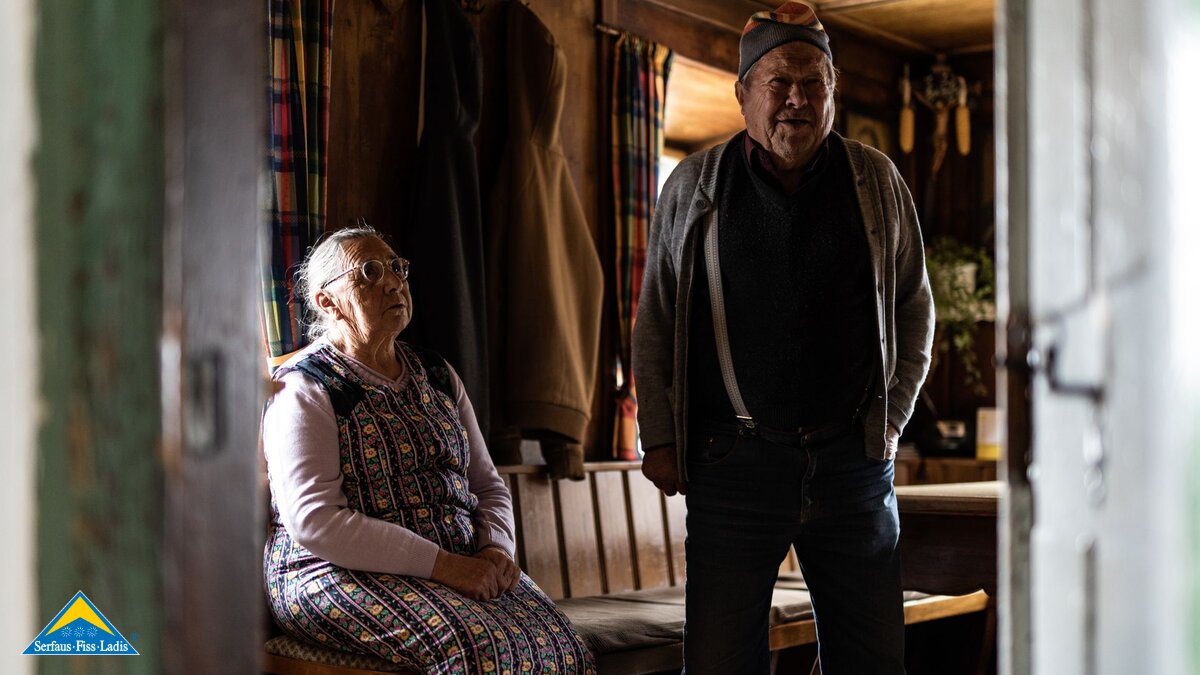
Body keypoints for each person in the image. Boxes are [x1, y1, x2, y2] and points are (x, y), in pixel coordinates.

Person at [632, 3, 934, 674]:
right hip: (732, 463)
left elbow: (916, 306)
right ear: (743, 94)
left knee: (873, 659)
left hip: (852, 464)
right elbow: (655, 317)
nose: (796, 99)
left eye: (813, 82)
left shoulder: (876, 181)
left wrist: (893, 417)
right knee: (719, 662)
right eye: (778, 81)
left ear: (833, 94)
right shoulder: (693, 185)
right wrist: (659, 434)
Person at [263, 227, 595, 674]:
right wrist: (443, 566)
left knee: (564, 645)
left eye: (397, 268)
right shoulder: (307, 387)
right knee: (478, 648)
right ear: (327, 301)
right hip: (330, 572)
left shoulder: (437, 375)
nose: (393, 282)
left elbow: (487, 484)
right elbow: (314, 521)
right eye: (369, 272)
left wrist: (496, 550)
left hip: (461, 563)